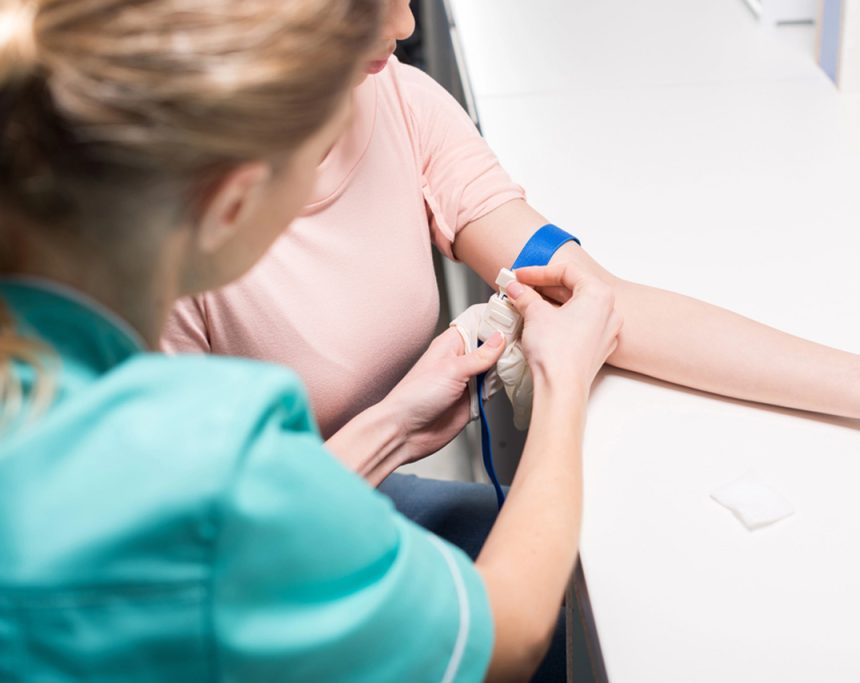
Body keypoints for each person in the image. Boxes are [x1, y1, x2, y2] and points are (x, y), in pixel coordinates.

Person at [165, 1, 860, 520]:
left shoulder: (396, 100)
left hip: (352, 515)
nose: (407, 25)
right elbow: (194, 552)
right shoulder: (140, 230)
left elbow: (602, 303)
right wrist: (389, 432)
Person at [0, 0, 622, 680]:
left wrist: (389, 425)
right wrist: (561, 385)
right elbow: (507, 636)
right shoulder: (206, 458)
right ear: (233, 201)